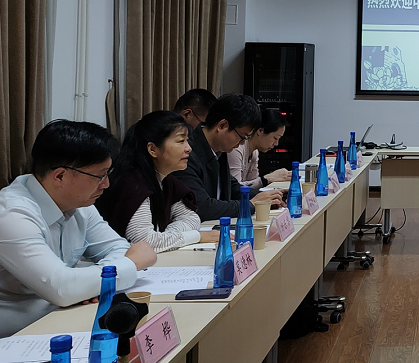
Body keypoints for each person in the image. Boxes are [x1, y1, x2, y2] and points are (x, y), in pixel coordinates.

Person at [0, 120, 157, 337]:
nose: (106, 184)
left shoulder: (80, 203)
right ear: (60, 176)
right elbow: (62, 288)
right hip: (17, 337)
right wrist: (129, 265)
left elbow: (118, 248)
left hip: (66, 320)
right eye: (100, 176)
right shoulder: (11, 215)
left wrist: (90, 285)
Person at [97, 111, 218, 252]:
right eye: (181, 141)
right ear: (152, 149)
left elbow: (191, 218)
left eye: (187, 141)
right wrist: (196, 236)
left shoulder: (165, 179)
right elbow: (144, 242)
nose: (189, 148)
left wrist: (167, 237)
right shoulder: (132, 182)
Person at [170, 93, 284, 221]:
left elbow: (233, 188)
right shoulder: (187, 153)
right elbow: (202, 206)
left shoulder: (219, 150)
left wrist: (267, 197)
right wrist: (250, 204)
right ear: (222, 126)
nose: (242, 143)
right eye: (242, 137)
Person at [228, 108, 291, 189]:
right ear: (260, 131)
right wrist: (266, 179)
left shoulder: (254, 152)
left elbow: (254, 184)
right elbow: (234, 189)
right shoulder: (236, 149)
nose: (276, 143)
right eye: (275, 138)